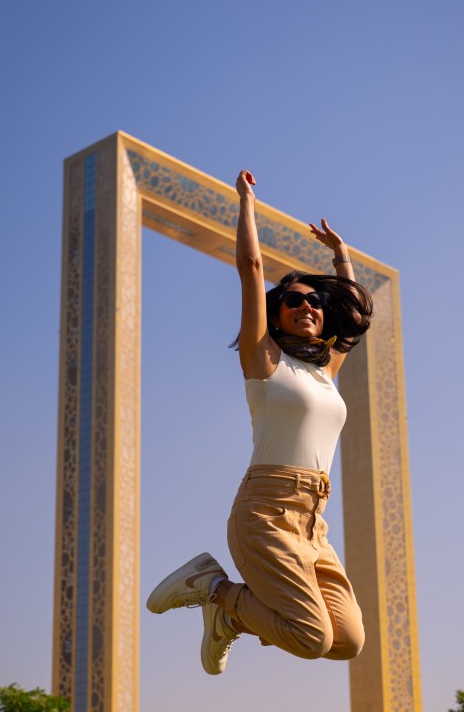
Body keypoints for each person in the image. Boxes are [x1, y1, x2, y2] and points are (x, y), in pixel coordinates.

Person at [146, 169, 374, 674]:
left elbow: (354, 316)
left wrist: (341, 256)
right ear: (277, 313)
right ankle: (212, 587)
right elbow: (251, 268)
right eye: (294, 300)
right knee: (311, 637)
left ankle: (227, 616)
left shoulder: (325, 371)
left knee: (347, 641)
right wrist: (245, 201)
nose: (307, 305)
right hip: (266, 510)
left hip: (312, 520)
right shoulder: (264, 359)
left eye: (315, 301)